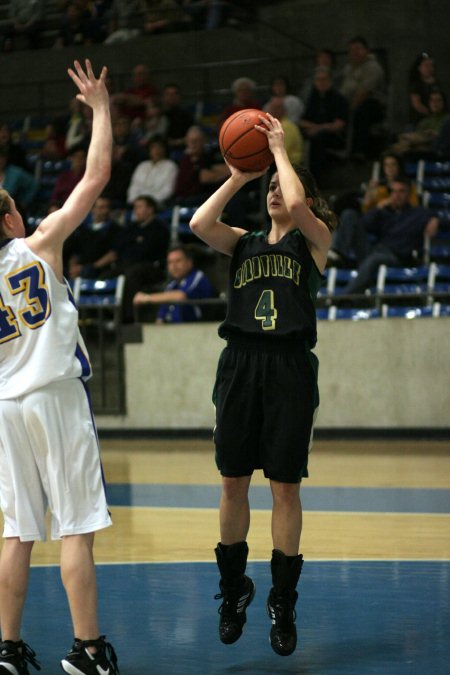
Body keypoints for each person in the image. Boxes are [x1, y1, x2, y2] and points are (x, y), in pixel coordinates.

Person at [189, 112, 336, 656]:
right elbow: (199, 225)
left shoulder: (313, 242)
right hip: (240, 366)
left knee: (285, 487)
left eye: (281, 183)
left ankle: (283, 601)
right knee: (232, 480)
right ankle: (233, 590)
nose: (275, 191)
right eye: (269, 187)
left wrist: (277, 152)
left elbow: (298, 205)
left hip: (290, 368)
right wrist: (239, 175)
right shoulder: (245, 243)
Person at [0, 59, 120, 675]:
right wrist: (99, 108)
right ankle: (90, 650)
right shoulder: (38, 242)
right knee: (76, 526)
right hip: (53, 393)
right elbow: (96, 174)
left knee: (17, 530)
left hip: (5, 407)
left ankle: (8, 649)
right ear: (8, 221)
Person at [333, 177, 439, 295]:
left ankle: (343, 299)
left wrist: (434, 218)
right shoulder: (385, 213)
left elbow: (435, 215)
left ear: (409, 194)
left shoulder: (418, 213)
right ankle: (338, 255)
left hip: (397, 256)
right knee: (349, 214)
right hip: (374, 250)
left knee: (373, 260)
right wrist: (378, 208)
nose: (397, 195)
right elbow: (364, 224)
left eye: (401, 191)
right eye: (393, 191)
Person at [133, 244, 218, 322]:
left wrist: (147, 298)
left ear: (189, 263)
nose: (174, 266)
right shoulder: (171, 286)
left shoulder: (197, 277)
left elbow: (180, 296)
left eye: (178, 261)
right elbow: (160, 319)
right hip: (175, 333)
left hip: (200, 330)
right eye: (170, 262)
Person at [299, 66, 348, 184]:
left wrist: (318, 128)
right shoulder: (312, 99)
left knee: (317, 139)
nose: (321, 82)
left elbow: (339, 124)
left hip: (334, 136)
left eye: (324, 79)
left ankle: (317, 181)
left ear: (330, 81)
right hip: (313, 132)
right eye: (318, 80)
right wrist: (315, 128)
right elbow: (302, 121)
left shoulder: (339, 98)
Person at [339, 36, 386, 158]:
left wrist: (348, 110)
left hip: (369, 104)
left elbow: (364, 92)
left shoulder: (373, 67)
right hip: (347, 103)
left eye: (358, 48)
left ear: (366, 50)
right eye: (351, 50)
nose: (354, 52)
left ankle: (359, 151)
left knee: (360, 112)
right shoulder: (348, 68)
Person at [64, 195, 122, 279]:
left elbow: (112, 254)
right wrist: (73, 267)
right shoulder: (82, 229)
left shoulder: (114, 229)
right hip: (80, 267)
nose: (105, 211)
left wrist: (91, 267)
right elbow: (74, 253)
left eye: (107, 207)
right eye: (101, 208)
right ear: (93, 209)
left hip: (100, 268)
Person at [126, 135, 178, 207]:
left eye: (160, 147)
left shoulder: (171, 166)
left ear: (165, 149)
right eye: (153, 147)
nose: (156, 150)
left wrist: (149, 203)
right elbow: (133, 187)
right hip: (137, 205)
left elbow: (167, 191)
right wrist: (136, 201)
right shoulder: (142, 166)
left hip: (157, 205)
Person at [265, 96, 303, 166]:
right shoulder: (273, 125)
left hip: (291, 165)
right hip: (280, 162)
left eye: (278, 108)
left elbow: (280, 150)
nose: (274, 110)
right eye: (272, 107)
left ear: (284, 110)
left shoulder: (287, 126)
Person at [407, 52, 441, 127]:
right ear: (419, 67)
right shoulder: (416, 84)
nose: (430, 69)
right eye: (426, 66)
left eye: (431, 66)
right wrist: (429, 114)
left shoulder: (435, 82)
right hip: (418, 121)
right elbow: (417, 104)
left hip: (434, 121)